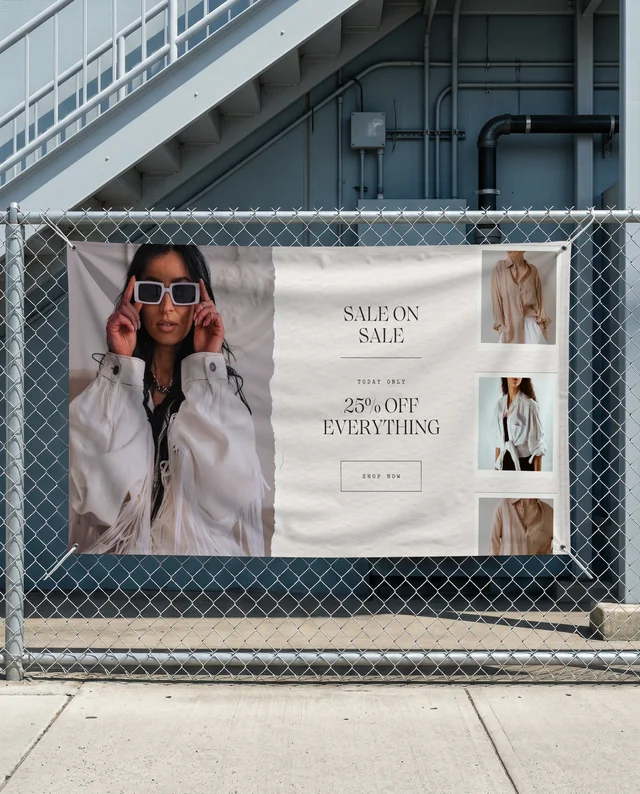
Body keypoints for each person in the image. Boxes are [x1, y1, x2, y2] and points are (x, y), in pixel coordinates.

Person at [68, 244, 265, 556]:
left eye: (182, 293)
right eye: (151, 291)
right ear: (134, 299)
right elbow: (106, 499)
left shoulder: (216, 394)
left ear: (200, 301)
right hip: (124, 569)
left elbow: (224, 494)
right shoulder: (111, 391)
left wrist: (206, 363)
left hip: (203, 566)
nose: (167, 306)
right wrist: (122, 364)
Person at [491, 250, 550, 344]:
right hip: (509, 329)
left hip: (532, 327)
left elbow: (539, 300)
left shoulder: (533, 270)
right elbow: (496, 299)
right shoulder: (500, 268)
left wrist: (541, 326)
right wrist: (500, 326)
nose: (509, 249)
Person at [494, 377, 546, 472]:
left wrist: (537, 477)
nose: (516, 376)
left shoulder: (530, 405)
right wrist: (495, 472)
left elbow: (538, 447)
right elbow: (498, 442)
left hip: (524, 465)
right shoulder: (500, 405)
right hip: (505, 463)